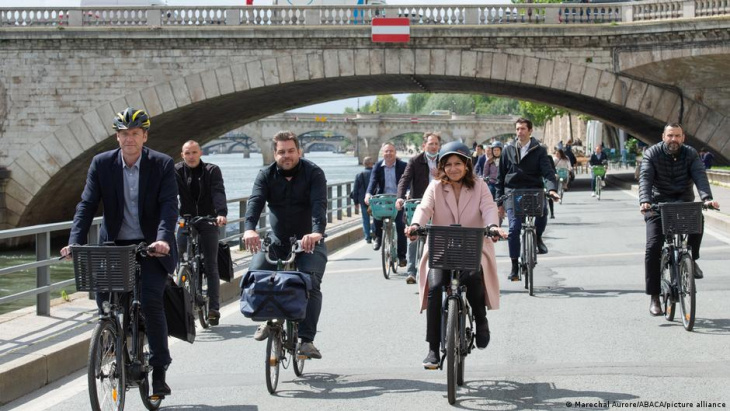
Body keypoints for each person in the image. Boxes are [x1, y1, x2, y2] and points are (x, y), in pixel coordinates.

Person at [60, 107, 178, 397]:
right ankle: (113, 342)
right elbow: (86, 205)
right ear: (117, 137)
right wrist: (75, 241)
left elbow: (168, 207)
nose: (129, 139)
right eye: (124, 134)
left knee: (151, 302)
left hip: (151, 247)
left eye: (135, 133)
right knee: (106, 302)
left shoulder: (161, 164)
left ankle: (160, 370)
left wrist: (163, 239)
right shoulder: (101, 164)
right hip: (114, 246)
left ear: (144, 136)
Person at [405, 142, 507, 368]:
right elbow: (424, 208)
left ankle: (481, 321)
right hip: (441, 246)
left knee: (472, 277)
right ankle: (432, 348)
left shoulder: (480, 186)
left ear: (467, 165)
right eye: (448, 164)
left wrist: (493, 226)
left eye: (458, 164)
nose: (453, 169)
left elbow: (489, 208)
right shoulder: (435, 187)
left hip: (472, 246)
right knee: (435, 286)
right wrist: (414, 225)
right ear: (442, 166)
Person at [244, 131, 327, 359]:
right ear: (275, 154)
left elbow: (319, 206)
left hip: (309, 240)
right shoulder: (266, 175)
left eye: (291, 151)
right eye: (281, 152)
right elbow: (255, 202)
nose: (286, 156)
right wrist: (249, 228)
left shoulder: (314, 173)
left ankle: (307, 340)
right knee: (256, 274)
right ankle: (269, 320)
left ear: (299, 151)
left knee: (310, 283)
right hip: (277, 240)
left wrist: (316, 232)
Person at [639, 124, 719, 316]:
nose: (673, 139)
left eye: (677, 136)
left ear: (683, 137)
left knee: (698, 220)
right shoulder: (652, 153)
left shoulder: (690, 154)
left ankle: (693, 259)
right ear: (663, 136)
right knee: (653, 247)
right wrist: (645, 201)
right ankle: (655, 297)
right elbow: (645, 178)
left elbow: (700, 176)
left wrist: (707, 198)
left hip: (683, 201)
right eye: (670, 136)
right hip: (658, 204)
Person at [495, 118, 559, 281]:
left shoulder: (539, 150)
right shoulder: (508, 149)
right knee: (514, 229)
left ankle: (537, 238)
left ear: (530, 131)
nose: (519, 132)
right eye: (517, 129)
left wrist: (552, 189)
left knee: (542, 212)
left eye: (523, 129)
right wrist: (499, 202)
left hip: (533, 189)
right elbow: (500, 177)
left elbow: (548, 172)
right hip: (513, 191)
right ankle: (514, 265)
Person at [174, 140, 228, 326]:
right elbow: (170, 195)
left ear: (200, 153)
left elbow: (218, 192)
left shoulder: (212, 170)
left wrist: (220, 213)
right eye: (187, 153)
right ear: (182, 155)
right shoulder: (177, 170)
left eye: (194, 152)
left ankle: (213, 308)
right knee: (181, 259)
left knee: (211, 264)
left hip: (208, 218)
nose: (191, 156)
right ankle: (184, 284)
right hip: (185, 218)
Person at [395, 132, 441, 284]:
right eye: (430, 144)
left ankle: (436, 271)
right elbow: (405, 179)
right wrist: (400, 197)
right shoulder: (415, 160)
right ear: (424, 145)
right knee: (413, 234)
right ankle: (411, 272)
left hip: (439, 202)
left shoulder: (445, 160)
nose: (433, 147)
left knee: (438, 236)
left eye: (436, 144)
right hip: (418, 202)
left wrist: (440, 175)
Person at [364, 142, 407, 266]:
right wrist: (368, 194)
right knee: (377, 215)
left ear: (395, 153)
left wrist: (407, 192)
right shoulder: (377, 167)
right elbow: (372, 182)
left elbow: (407, 181)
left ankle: (401, 256)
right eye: (386, 151)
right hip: (383, 198)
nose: (388, 153)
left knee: (400, 225)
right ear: (382, 153)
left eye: (391, 151)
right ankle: (377, 237)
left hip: (398, 199)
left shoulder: (403, 166)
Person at [351, 157, 374, 243]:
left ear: (364, 164)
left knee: (365, 218)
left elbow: (355, 189)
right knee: (376, 217)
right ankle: (375, 231)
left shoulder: (359, 174)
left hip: (363, 200)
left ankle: (367, 237)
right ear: (372, 164)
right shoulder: (375, 173)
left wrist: (355, 202)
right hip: (375, 200)